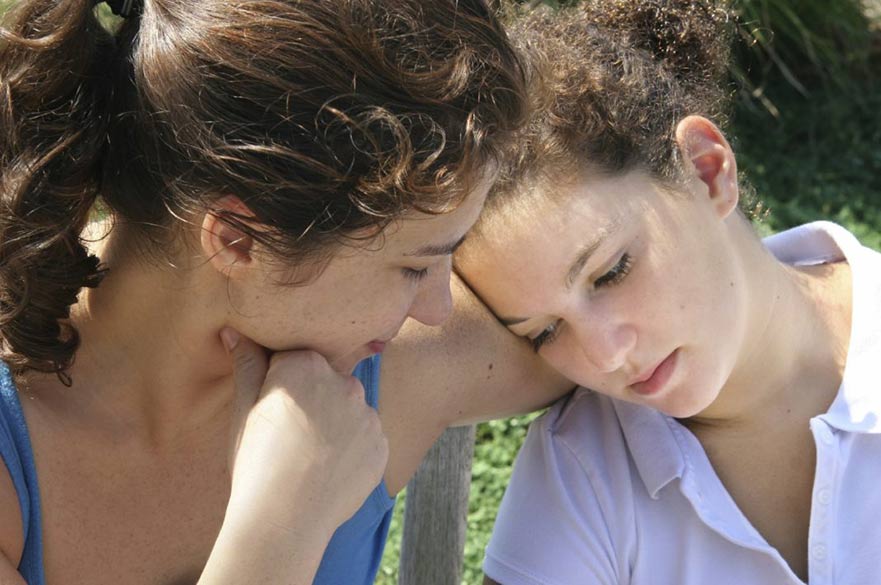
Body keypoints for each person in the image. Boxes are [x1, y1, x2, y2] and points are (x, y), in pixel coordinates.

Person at [0, 0, 572, 583]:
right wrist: (281, 526)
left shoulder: (410, 366)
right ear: (238, 241)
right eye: (413, 268)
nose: (440, 306)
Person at [454, 1, 881, 583]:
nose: (605, 355)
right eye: (545, 332)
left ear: (708, 170)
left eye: (611, 272)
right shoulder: (582, 468)